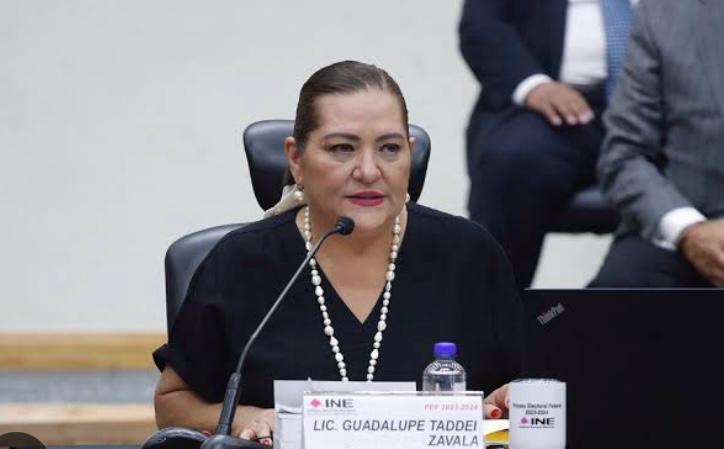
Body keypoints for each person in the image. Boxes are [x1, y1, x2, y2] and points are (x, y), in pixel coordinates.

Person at [152, 61, 523, 445]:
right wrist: (243, 416)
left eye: (390, 148)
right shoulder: (240, 264)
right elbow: (172, 403)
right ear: (296, 159)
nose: (368, 170)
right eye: (343, 148)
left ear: (409, 156)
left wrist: (509, 401)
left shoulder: (471, 257)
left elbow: (522, 387)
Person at [459, 0, 636, 289]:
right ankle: (495, 305)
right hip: (561, 106)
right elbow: (482, 26)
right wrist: (534, 86)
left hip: (664, 108)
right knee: (511, 162)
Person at [589, 0, 724, 288]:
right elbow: (623, 155)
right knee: (614, 294)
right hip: (689, 221)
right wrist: (689, 230)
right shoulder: (662, 15)